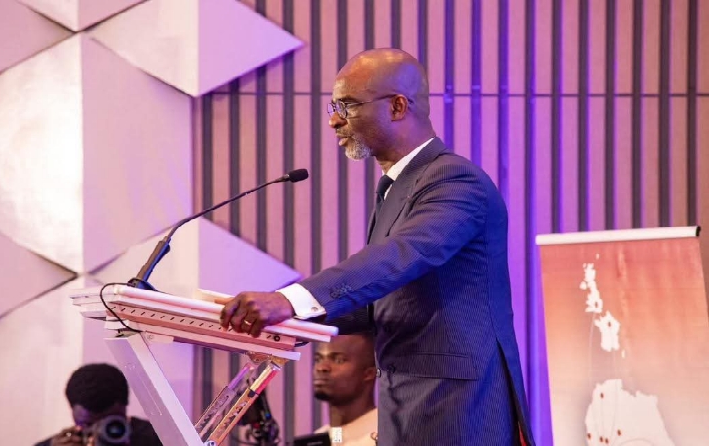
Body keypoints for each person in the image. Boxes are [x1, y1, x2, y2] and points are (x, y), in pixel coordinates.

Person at [219, 48, 535, 445]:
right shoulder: (396, 187)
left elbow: (400, 256)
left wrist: (290, 300)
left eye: (348, 106)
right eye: (335, 107)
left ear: (398, 106)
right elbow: (380, 303)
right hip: (410, 408)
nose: (334, 120)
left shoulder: (455, 180)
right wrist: (287, 324)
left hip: (458, 411)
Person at [35, 363, 162, 446]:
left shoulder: (160, 439)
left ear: (124, 406)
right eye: (87, 425)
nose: (98, 432)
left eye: (110, 423)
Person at [313, 334, 378, 446]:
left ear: (369, 373)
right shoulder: (323, 437)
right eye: (318, 359)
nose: (321, 367)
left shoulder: (392, 435)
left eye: (339, 360)